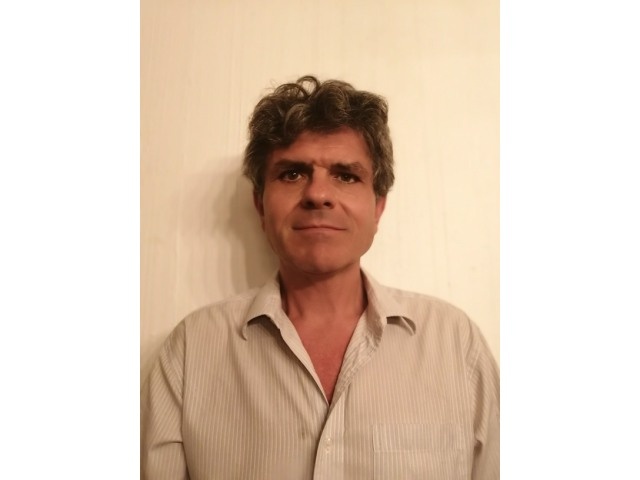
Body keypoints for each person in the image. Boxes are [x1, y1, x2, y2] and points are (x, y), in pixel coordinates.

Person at [141, 75, 499, 479]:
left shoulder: (455, 345)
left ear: (378, 207)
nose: (318, 194)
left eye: (346, 175)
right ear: (260, 205)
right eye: (292, 174)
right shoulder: (191, 352)